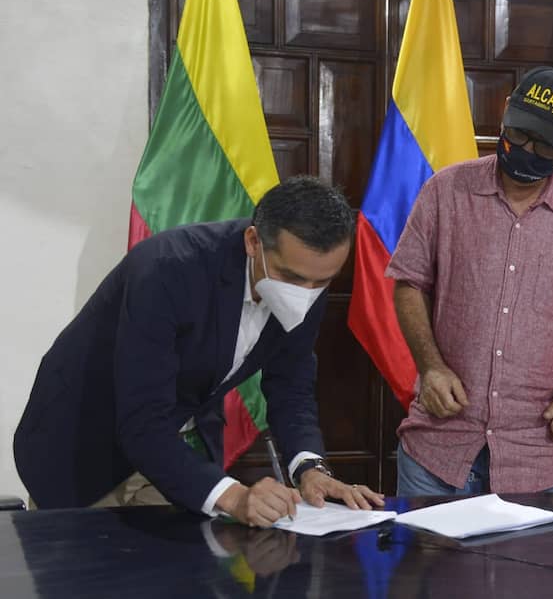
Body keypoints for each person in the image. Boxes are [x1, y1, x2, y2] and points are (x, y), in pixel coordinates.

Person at [14, 175, 384, 525]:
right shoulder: (167, 268)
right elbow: (143, 419)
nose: (305, 293)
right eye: (292, 277)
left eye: (322, 281)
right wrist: (235, 497)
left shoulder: (306, 276)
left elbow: (291, 385)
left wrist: (310, 468)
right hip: (81, 445)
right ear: (253, 242)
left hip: (174, 455)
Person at [386, 67, 553, 496]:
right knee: (421, 546)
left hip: (539, 456)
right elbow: (409, 282)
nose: (526, 150)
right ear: (506, 112)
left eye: (544, 145)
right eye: (519, 134)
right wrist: (430, 366)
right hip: (439, 447)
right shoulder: (445, 191)